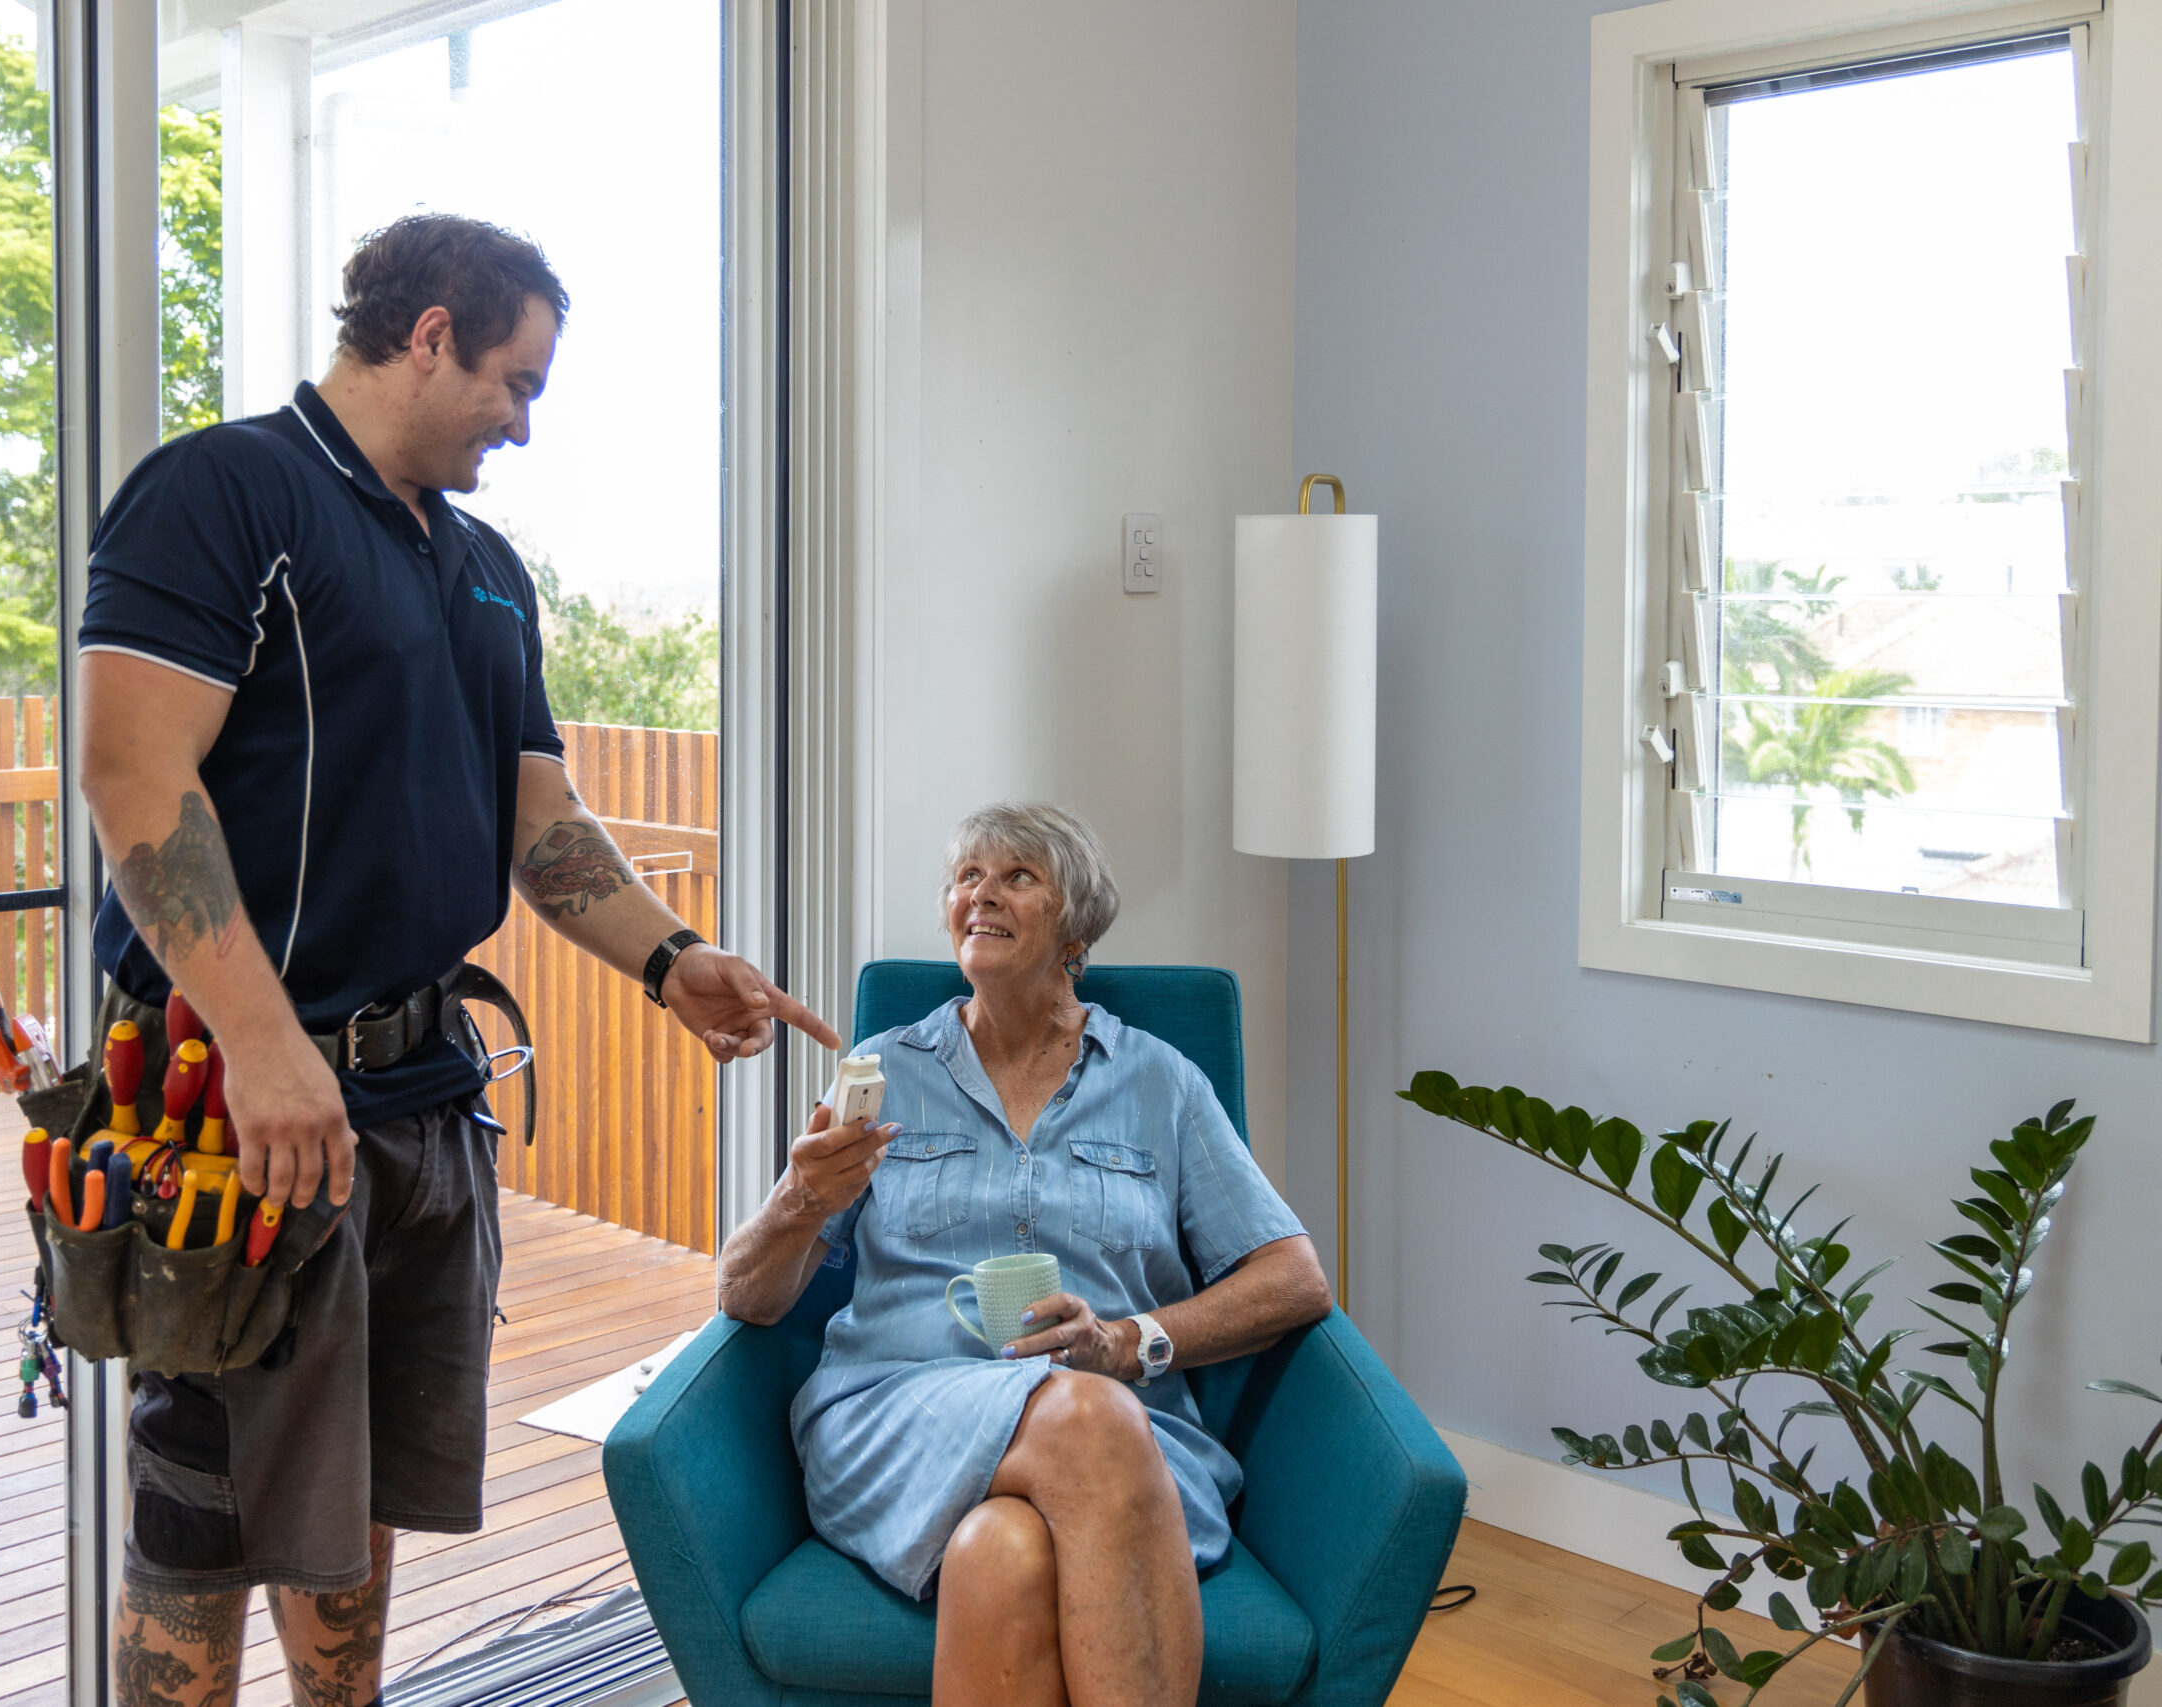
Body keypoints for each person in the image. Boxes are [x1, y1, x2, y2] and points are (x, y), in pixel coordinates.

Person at [76, 213, 838, 1707]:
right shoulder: (222, 492)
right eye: (514, 380)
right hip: (244, 1107)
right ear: (428, 333)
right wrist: (256, 1037)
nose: (524, 421)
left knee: (349, 1493)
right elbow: (131, 771)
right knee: (206, 1506)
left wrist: (669, 956)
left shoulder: (487, 566)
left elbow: (537, 819)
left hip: (424, 1101)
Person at [716, 802, 1331, 1707]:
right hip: (899, 1416)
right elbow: (743, 1294)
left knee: (1001, 1551)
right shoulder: (886, 1070)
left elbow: (1295, 1279)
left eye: (1016, 877)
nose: (981, 895)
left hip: (1134, 1447)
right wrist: (804, 1200)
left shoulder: (1160, 1080)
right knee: (1087, 1419)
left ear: (1074, 925)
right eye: (968, 876)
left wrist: (1129, 1342)